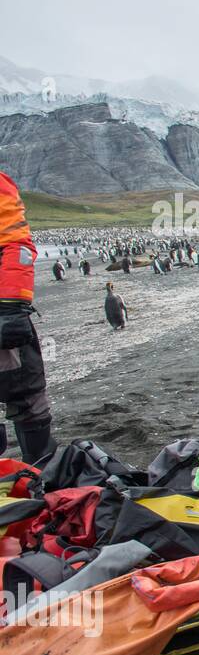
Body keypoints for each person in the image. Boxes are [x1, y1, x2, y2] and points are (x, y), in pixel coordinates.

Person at [0, 172, 56, 463]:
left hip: (2, 311)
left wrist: (11, 306)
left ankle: (42, 472)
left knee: (25, 391)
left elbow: (15, 245)